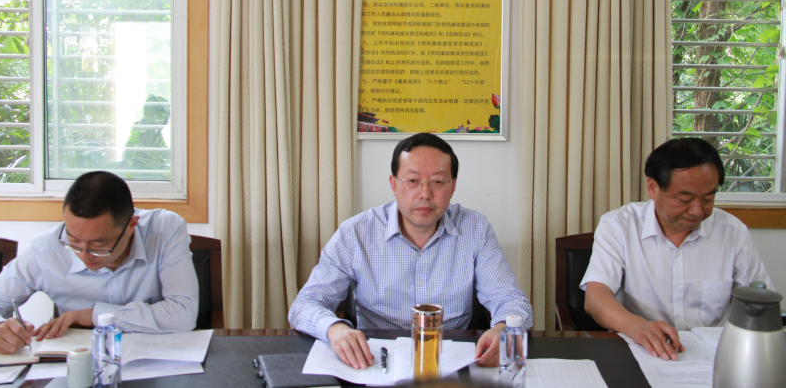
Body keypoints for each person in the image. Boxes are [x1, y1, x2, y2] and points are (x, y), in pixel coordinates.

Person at [289, 133, 532, 369]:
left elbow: (511, 300)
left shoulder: (475, 229)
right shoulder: (357, 232)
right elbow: (305, 304)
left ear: (453, 186)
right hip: (375, 359)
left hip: (452, 359)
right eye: (413, 181)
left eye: (438, 181)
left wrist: (504, 330)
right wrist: (335, 329)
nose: (425, 194)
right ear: (394, 184)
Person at [581, 137, 773, 361]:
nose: (697, 211)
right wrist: (637, 327)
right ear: (653, 187)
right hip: (642, 353)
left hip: (715, 358)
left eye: (708, 199)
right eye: (684, 200)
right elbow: (595, 299)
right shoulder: (619, 226)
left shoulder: (732, 232)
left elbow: (759, 303)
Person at [0, 171, 199, 355]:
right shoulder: (46, 250)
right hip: (79, 363)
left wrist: (93, 315)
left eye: (99, 244)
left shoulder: (165, 231)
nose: (84, 254)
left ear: (131, 225)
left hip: (158, 360)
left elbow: (182, 314)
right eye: (73, 241)